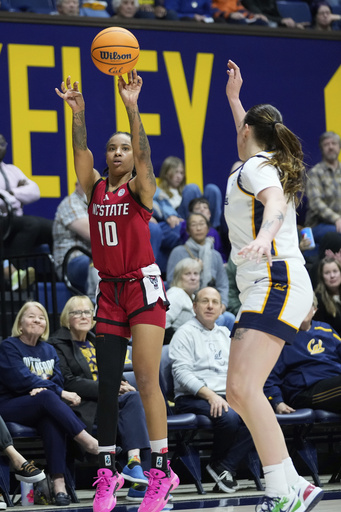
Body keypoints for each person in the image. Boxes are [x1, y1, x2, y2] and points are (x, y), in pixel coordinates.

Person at [55, 69, 178, 512]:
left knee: (146, 378)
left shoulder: (141, 190)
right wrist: (78, 113)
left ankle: (162, 471)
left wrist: (131, 106)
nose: (119, 152)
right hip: (109, 291)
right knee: (108, 384)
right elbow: (79, 151)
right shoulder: (95, 187)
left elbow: (146, 157)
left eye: (124, 147)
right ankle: (108, 473)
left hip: (143, 287)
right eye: (113, 147)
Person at [223, 60, 323, 512]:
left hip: (274, 278)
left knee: (242, 390)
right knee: (242, 391)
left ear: (247, 133)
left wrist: (265, 236)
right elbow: (248, 139)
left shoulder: (254, 170)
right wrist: (234, 99)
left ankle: (281, 492)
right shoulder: (256, 161)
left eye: (240, 126)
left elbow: (276, 202)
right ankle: (292, 483)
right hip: (269, 282)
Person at [48, 295, 151, 503]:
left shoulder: (98, 340)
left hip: (108, 400)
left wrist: (123, 384)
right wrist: (110, 389)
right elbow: (69, 381)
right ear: (67, 319)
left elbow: (113, 372)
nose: (83, 316)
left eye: (87, 312)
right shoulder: (57, 344)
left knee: (133, 397)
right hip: (84, 404)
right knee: (128, 407)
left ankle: (134, 463)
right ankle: (138, 477)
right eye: (76, 312)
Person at [0, 301, 99, 506]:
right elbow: (20, 379)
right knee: (47, 398)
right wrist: (51, 390)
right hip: (11, 406)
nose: (37, 320)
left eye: (42, 317)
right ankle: (88, 441)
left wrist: (46, 388)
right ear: (20, 323)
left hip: (41, 404)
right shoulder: (9, 346)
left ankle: (59, 483)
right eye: (31, 316)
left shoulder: (48, 349)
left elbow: (58, 380)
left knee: (50, 417)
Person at [169, 287, 254, 492]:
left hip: (225, 395)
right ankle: (219, 465)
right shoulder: (184, 333)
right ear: (194, 306)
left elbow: (236, 368)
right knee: (230, 417)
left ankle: (224, 467)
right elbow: (181, 373)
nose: (210, 306)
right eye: (205, 301)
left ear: (221, 308)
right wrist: (211, 396)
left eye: (215, 302)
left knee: (259, 415)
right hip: (193, 397)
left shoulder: (224, 333)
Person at [264, 295, 341, 414]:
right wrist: (277, 401)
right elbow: (268, 376)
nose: (302, 309)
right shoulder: (281, 337)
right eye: (298, 306)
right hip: (305, 391)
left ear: (314, 309)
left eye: (306, 305)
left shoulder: (326, 329)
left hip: (334, 383)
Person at [166, 212, 235, 331]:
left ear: (208, 228)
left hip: (212, 303)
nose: (198, 228)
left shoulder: (215, 255)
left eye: (201, 224)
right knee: (220, 320)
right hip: (189, 302)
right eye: (194, 224)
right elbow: (172, 281)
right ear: (187, 230)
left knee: (229, 317)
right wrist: (196, 269)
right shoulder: (178, 252)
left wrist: (221, 306)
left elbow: (223, 285)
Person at [0, 133, 53, 258]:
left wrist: (12, 193)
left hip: (15, 219)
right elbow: (6, 202)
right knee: (30, 224)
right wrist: (18, 194)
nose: (0, 147)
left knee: (54, 228)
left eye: (2, 144)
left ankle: (58, 272)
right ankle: (15, 271)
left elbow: (35, 192)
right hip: (3, 220)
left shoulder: (12, 170)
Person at [52, 181, 97, 297]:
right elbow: (94, 234)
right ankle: (97, 303)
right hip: (71, 261)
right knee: (99, 263)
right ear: (77, 185)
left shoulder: (96, 204)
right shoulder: (70, 204)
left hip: (92, 257)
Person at [305, 131, 341, 247]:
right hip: (319, 225)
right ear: (322, 149)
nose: (330, 147)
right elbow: (316, 203)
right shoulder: (315, 173)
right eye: (326, 144)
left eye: (333, 143)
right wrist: (337, 219)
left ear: (339, 147)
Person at [165, 258, 201, 343]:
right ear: (178, 277)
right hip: (173, 346)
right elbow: (163, 323)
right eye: (187, 274)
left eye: (196, 274)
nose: (193, 278)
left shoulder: (192, 296)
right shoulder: (176, 294)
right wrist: (179, 341)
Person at [179, 197, 227, 262]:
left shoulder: (214, 232)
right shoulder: (185, 226)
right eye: (197, 208)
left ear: (209, 214)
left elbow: (221, 253)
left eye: (205, 208)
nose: (202, 210)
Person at [314, 255, 341, 335]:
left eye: (335, 271)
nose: (332, 276)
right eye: (327, 273)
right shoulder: (319, 300)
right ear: (322, 277)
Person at [241, 0, 306, 27]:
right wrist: (281, 20)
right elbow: (260, 16)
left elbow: (277, 15)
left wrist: (293, 24)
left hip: (274, 24)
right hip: (258, 27)